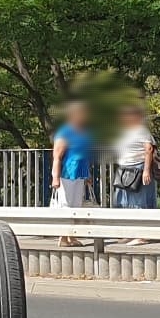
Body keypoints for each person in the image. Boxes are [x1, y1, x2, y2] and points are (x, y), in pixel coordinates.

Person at [50, 101, 95, 246]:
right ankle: (63, 236)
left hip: (80, 172)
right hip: (68, 172)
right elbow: (57, 155)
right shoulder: (65, 131)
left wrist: (88, 174)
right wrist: (55, 177)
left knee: (76, 206)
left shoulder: (85, 131)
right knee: (66, 205)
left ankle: (72, 236)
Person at [113, 102, 159, 210]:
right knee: (124, 200)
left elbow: (149, 149)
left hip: (138, 168)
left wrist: (146, 171)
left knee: (138, 201)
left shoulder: (141, 130)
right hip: (124, 168)